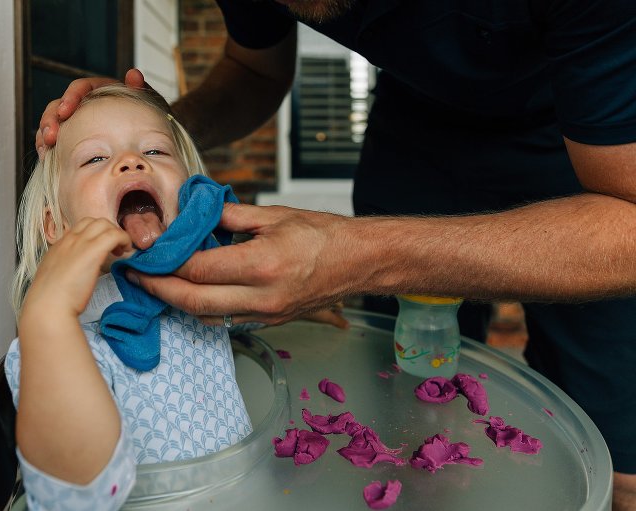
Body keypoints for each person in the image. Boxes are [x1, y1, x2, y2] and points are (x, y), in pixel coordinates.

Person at [36, 1, 636, 508]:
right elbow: (253, 68)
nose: (131, 165)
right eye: (99, 160)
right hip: (415, 136)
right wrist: (156, 128)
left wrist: (361, 256)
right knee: (405, 416)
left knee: (624, 455)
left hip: (595, 158)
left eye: (149, 157)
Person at [5, 83, 255, 510]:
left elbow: (253, 309)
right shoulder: (57, 346)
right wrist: (48, 318)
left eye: (156, 151)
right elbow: (79, 496)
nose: (131, 162)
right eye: (95, 158)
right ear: (57, 225)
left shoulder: (200, 294)